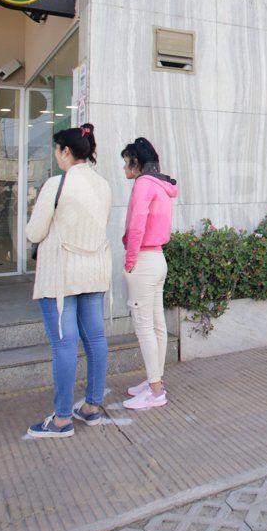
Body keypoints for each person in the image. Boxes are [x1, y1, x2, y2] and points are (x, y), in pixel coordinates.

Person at [25, 124, 113, 438]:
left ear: (65, 151)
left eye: (57, 151)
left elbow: (34, 233)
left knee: (64, 344)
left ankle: (61, 419)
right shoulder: (103, 184)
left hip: (61, 273)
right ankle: (91, 406)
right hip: (94, 269)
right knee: (96, 340)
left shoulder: (56, 184)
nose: (57, 156)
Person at [120, 138, 180, 411]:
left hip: (144, 260)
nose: (124, 168)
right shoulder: (161, 186)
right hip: (158, 258)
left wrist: (130, 261)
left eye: (126, 161)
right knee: (157, 325)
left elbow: (136, 226)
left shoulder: (143, 184)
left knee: (145, 327)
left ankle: (155, 391)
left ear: (136, 162)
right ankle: (155, 381)